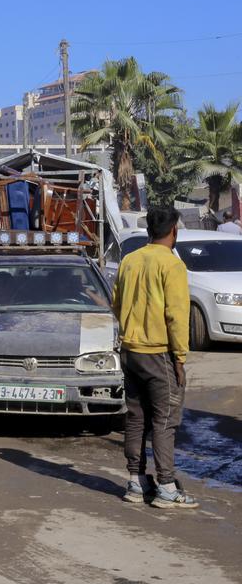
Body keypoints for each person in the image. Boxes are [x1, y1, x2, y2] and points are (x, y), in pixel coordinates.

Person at [112, 206, 198, 509]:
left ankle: (135, 482)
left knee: (135, 418)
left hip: (130, 351)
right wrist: (180, 359)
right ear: (173, 230)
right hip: (159, 354)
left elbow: (117, 303)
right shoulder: (173, 266)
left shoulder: (130, 260)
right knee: (164, 421)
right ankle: (166, 486)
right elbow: (176, 315)